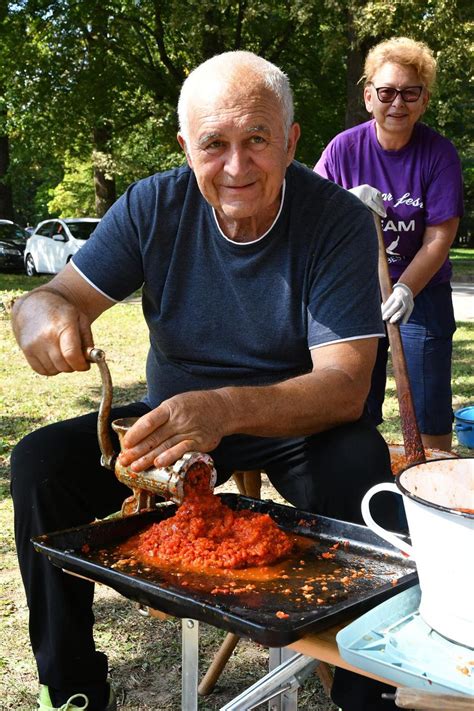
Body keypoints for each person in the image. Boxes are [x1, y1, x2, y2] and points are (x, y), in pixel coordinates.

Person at [11, 51, 400, 711]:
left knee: (363, 466)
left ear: (291, 139)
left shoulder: (336, 220)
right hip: (176, 419)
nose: (237, 166)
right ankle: (73, 689)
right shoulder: (152, 205)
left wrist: (223, 409)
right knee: (39, 466)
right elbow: (55, 296)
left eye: (257, 139)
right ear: (185, 145)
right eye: (214, 144)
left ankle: (372, 692)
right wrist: (39, 315)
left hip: (298, 422)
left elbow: (345, 388)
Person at [314, 36, 464, 454]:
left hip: (423, 292)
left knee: (429, 406)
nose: (397, 103)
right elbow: (310, 214)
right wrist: (343, 203)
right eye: (387, 92)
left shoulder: (439, 155)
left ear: (424, 99)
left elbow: (438, 239)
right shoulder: (343, 149)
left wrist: (405, 289)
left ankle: (433, 483)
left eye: (409, 93)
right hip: (355, 295)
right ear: (369, 96)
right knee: (354, 405)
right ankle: (364, 478)